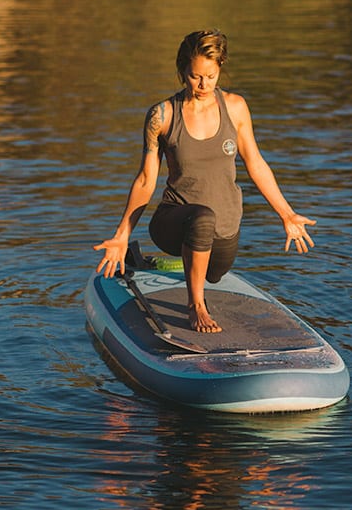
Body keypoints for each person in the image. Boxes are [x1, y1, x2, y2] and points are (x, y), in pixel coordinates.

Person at [94, 29, 316, 333]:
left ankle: (196, 268)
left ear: (220, 68)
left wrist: (286, 213)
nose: (203, 84)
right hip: (173, 220)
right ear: (183, 70)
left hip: (224, 231)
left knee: (215, 261)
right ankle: (196, 305)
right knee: (202, 218)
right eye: (196, 76)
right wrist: (121, 234)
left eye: (211, 76)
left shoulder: (235, 108)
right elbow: (147, 179)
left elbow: (256, 163)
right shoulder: (163, 115)